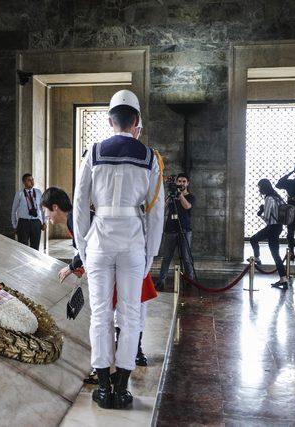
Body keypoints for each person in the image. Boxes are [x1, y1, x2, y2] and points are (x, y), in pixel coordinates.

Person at [73, 89, 165, 409]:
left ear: (110, 120)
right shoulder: (150, 157)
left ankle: (103, 387)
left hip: (99, 239)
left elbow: (80, 203)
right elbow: (156, 211)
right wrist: (150, 253)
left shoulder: (93, 152)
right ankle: (122, 388)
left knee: (100, 314)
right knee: (130, 314)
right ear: (136, 120)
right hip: (132, 242)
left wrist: (83, 245)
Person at [40, 186, 152, 388]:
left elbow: (92, 247)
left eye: (47, 211)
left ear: (55, 207)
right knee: (115, 318)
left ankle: (110, 371)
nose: (47, 217)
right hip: (122, 266)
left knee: (107, 319)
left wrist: (72, 266)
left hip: (118, 271)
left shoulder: (77, 218)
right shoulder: (78, 216)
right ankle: (113, 369)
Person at [155, 173, 195, 290]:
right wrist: (170, 196)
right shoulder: (171, 196)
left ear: (187, 183)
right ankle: (161, 281)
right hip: (170, 230)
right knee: (166, 257)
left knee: (186, 258)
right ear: (176, 182)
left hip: (185, 230)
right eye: (179, 181)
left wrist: (180, 195)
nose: (181, 183)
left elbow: (187, 207)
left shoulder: (190, 196)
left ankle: (190, 281)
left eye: (184, 181)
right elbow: (162, 208)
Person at [251, 179, 289, 290]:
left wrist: (260, 213)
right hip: (279, 227)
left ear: (263, 187)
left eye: (259, 187)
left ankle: (257, 259)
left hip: (272, 228)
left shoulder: (268, 198)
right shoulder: (277, 197)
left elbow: (267, 218)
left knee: (253, 239)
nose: (259, 190)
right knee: (275, 255)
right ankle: (283, 279)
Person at [11, 173, 46, 250]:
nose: (32, 181)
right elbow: (14, 210)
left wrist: (44, 222)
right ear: (24, 182)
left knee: (35, 247)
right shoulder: (19, 194)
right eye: (29, 180)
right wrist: (14, 225)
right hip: (23, 223)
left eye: (32, 179)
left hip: (36, 222)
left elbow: (42, 208)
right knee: (23, 247)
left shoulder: (38, 192)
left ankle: (34, 262)